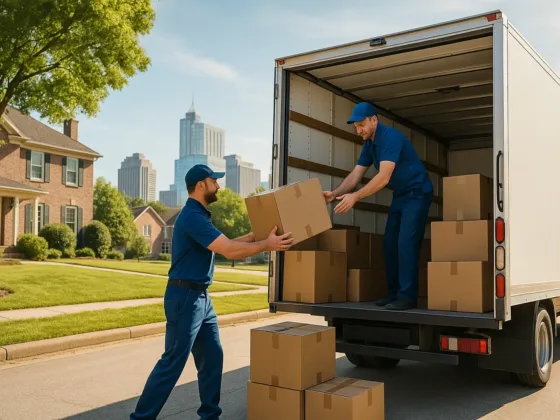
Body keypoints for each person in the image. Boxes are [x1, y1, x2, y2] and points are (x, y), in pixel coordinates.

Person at [130, 164, 293, 420]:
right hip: (185, 298)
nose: (218, 185)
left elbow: (224, 245)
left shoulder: (200, 216)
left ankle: (210, 416)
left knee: (212, 358)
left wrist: (255, 236)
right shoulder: (192, 217)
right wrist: (267, 245)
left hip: (200, 299)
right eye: (213, 181)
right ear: (200, 185)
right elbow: (229, 250)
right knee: (172, 362)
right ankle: (140, 418)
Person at [323, 102, 433, 311]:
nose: (358, 130)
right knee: (389, 244)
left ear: (374, 119)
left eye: (361, 124)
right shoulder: (369, 145)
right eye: (356, 126)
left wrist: (355, 197)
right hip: (401, 195)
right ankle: (393, 293)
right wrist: (335, 194)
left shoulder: (390, 138)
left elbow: (383, 177)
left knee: (405, 243)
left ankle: (408, 297)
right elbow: (356, 175)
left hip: (418, 192)